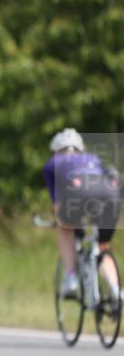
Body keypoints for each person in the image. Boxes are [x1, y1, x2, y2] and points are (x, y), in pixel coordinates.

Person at [43, 128, 121, 300]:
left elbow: (57, 204)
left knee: (64, 228)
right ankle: (116, 291)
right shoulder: (94, 158)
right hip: (110, 196)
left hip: (79, 194)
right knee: (102, 247)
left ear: (55, 150)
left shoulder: (52, 163)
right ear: (80, 148)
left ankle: (71, 277)